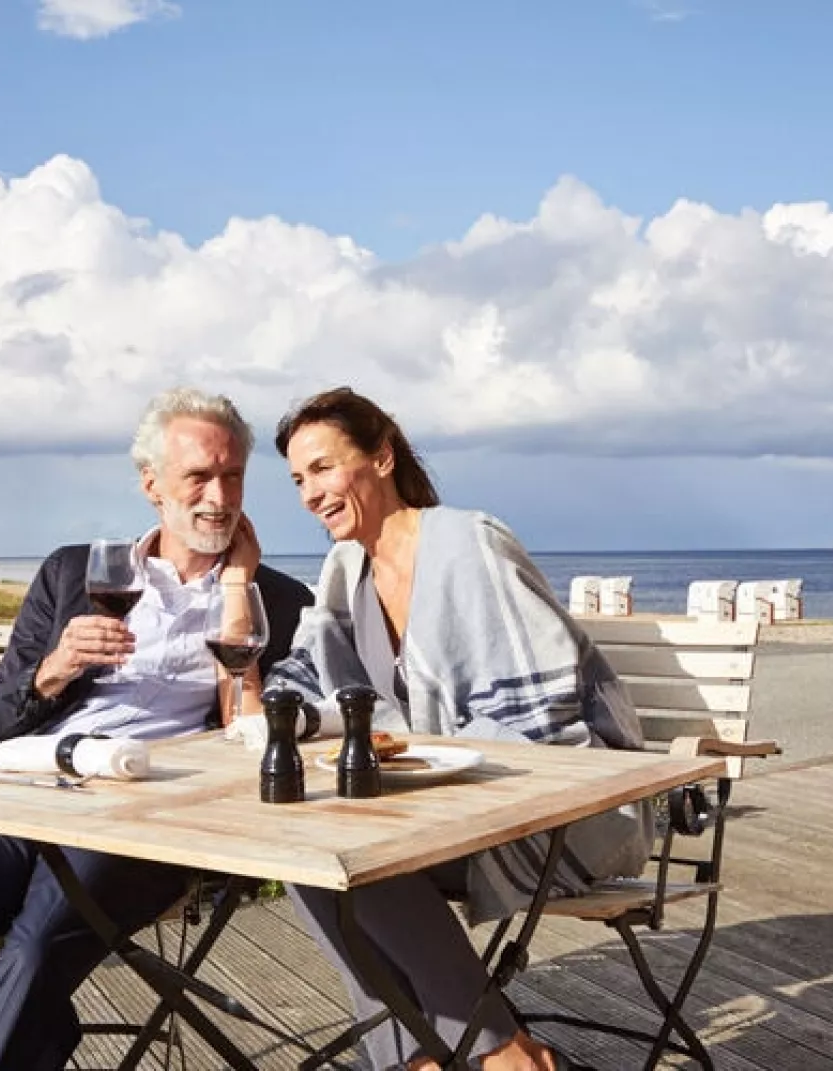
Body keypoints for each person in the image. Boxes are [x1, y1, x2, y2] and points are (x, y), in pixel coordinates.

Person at [0, 387, 313, 1071]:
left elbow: (252, 742)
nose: (218, 495)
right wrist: (55, 666)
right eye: (197, 475)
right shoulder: (73, 572)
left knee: (34, 950)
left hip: (146, 808)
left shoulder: (280, 600)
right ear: (152, 484)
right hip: (22, 786)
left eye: (231, 474)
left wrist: (236, 592)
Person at [266, 387, 652, 1071]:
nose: (309, 494)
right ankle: (428, 1061)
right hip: (437, 808)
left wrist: (407, 752)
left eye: (323, 468)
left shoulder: (468, 542)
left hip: (565, 808)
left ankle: (502, 1054)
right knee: (298, 852)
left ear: (381, 457)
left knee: (355, 848)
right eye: (298, 479)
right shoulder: (343, 569)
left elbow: (547, 717)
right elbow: (298, 685)